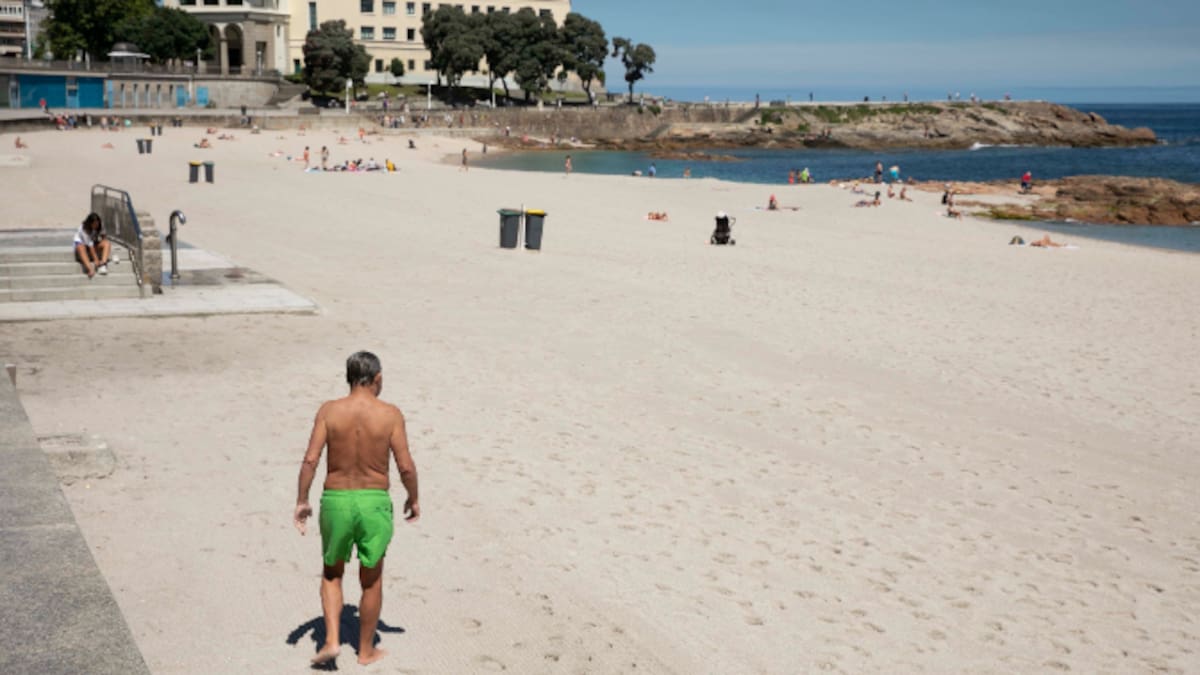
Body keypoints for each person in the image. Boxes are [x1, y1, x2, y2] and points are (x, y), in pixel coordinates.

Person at [294, 351, 419, 667]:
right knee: (371, 578)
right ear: (377, 379)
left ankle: (333, 640)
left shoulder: (329, 411)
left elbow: (311, 459)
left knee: (332, 572)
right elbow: (405, 466)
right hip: (373, 503)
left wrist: (302, 500)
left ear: (348, 378)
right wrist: (413, 497)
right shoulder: (390, 414)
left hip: (336, 500)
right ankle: (365, 651)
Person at [74, 212, 114, 278]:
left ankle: (103, 264)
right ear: (90, 223)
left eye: (97, 224)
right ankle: (90, 269)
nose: (96, 226)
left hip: (93, 247)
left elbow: (104, 238)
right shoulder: (83, 229)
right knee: (80, 246)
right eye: (94, 224)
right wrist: (96, 259)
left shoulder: (100, 225)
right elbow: (90, 246)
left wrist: (103, 251)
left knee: (107, 243)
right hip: (83, 250)